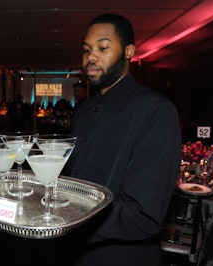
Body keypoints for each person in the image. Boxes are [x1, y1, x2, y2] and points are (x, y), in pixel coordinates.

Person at [59, 14, 182, 266]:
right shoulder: (83, 110)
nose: (90, 57)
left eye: (102, 48)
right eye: (86, 50)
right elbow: (73, 180)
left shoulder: (156, 110)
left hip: (121, 257)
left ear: (129, 51)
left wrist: (65, 218)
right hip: (72, 253)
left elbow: (143, 215)